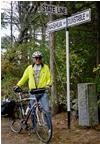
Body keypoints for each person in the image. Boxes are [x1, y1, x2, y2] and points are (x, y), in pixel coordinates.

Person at [13, 51, 52, 135]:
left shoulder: (46, 67)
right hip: (33, 92)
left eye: (39, 58)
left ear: (41, 59)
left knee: (46, 111)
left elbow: (49, 78)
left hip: (43, 91)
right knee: (33, 111)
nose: (38, 59)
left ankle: (49, 129)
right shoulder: (29, 68)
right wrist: (18, 85)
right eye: (36, 58)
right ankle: (34, 128)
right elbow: (24, 78)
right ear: (34, 59)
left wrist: (48, 84)